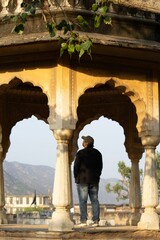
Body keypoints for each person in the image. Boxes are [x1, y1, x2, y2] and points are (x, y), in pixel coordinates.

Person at [74, 135, 103, 227]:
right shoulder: (98, 153)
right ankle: (96, 221)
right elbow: (100, 167)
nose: (82, 143)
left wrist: (76, 177)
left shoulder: (80, 153)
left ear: (85, 143)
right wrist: (97, 176)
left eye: (83, 141)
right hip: (94, 180)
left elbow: (76, 167)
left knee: (83, 201)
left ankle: (83, 220)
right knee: (94, 200)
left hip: (82, 180)